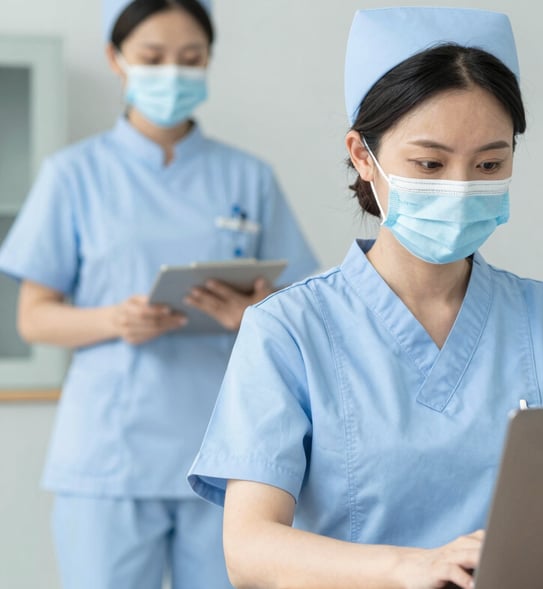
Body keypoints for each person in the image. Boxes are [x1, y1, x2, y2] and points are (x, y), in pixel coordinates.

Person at [188, 7, 543, 589]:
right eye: (429, 163)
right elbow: (249, 550)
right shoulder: (289, 329)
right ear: (361, 156)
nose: (461, 187)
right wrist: (413, 567)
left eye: (490, 163)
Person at [0, 1, 317, 588]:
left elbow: (303, 307)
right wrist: (112, 320)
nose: (172, 72)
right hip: (109, 460)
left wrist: (249, 314)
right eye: (152, 57)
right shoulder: (73, 175)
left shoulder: (248, 177)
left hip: (228, 456)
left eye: (190, 58)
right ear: (115, 60)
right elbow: (35, 319)